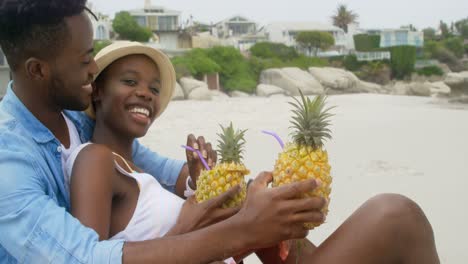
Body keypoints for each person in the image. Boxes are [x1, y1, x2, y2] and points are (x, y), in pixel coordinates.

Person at [0, 1, 440, 263]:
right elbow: (87, 258)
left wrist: (262, 197)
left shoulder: (78, 119)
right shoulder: (10, 161)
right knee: (395, 215)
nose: (92, 69)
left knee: (395, 218)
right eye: (84, 60)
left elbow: (160, 170)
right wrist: (239, 230)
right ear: (38, 70)